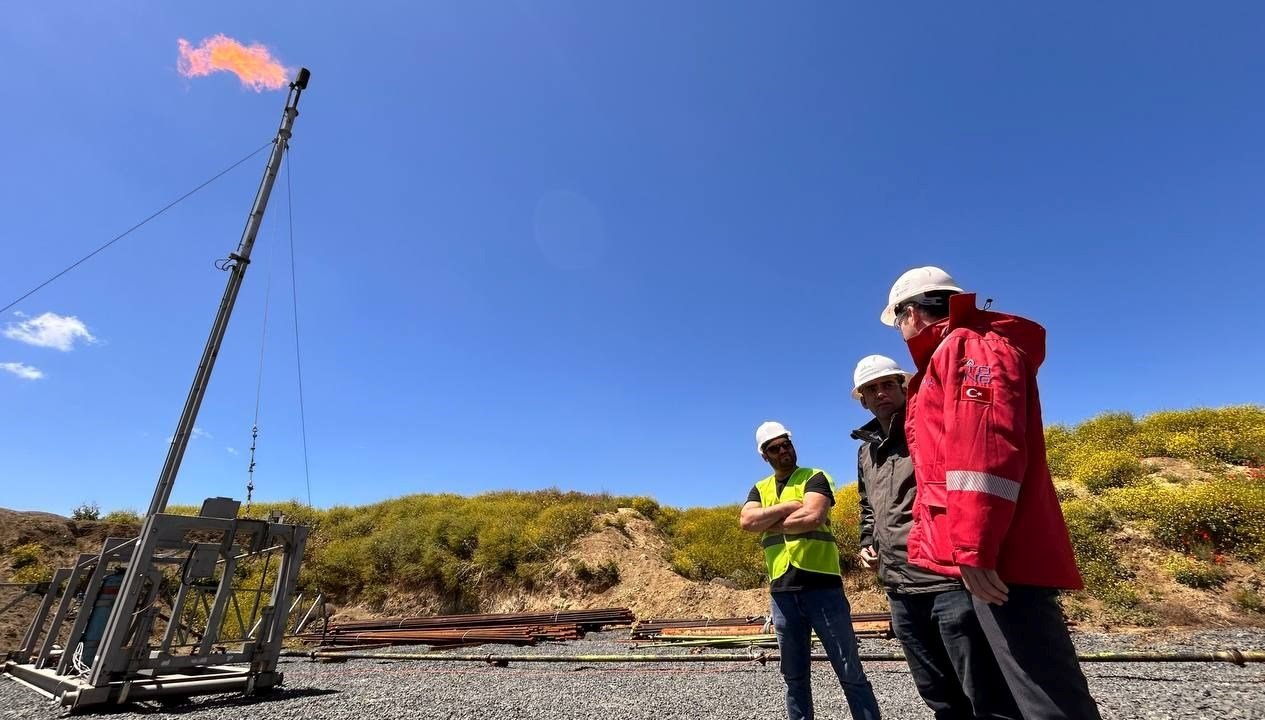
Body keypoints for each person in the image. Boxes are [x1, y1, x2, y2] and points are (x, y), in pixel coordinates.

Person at [880, 266, 1101, 720]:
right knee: (1013, 694)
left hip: (1000, 558)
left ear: (910, 312)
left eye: (898, 320)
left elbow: (983, 452)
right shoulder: (955, 350)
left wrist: (974, 548)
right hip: (992, 552)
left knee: (1045, 700)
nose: (899, 332)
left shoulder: (968, 346)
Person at [852, 354, 1020, 720]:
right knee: (937, 693)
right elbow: (868, 506)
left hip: (947, 583)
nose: (880, 393)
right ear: (862, 399)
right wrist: (868, 541)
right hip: (899, 589)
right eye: (871, 389)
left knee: (984, 691)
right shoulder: (866, 450)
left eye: (887, 385)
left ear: (903, 386)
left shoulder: (930, 426)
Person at [739, 421, 881, 720]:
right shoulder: (760, 488)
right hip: (782, 593)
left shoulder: (814, 477)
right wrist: (789, 506)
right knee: (794, 677)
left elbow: (814, 516)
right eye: (775, 448)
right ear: (765, 456)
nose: (783, 451)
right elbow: (747, 523)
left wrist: (769, 522)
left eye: (786, 443)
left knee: (849, 670)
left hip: (822, 588)